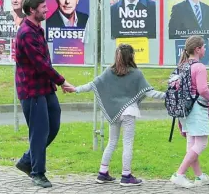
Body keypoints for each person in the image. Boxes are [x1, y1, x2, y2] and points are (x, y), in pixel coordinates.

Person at [63, 44, 165, 186]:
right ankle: (126, 175)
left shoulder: (109, 72)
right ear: (131, 56)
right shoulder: (136, 73)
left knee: (112, 142)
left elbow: (92, 85)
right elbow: (150, 92)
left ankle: (102, 173)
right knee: (127, 143)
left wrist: (75, 89)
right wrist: (169, 95)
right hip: (129, 112)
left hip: (114, 113)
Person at [13, 0, 74, 188]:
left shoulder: (37, 29)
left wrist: (54, 83)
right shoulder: (26, 33)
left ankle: (27, 160)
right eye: (43, 7)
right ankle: (37, 172)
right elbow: (40, 64)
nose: (47, 10)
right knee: (39, 132)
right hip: (32, 90)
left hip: (45, 88)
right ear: (32, 10)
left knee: (53, 125)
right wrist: (62, 81)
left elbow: (44, 63)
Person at [169, 35, 209, 188]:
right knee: (201, 143)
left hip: (185, 109)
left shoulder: (182, 66)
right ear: (197, 49)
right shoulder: (199, 67)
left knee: (192, 143)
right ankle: (180, 174)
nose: (205, 50)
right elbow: (202, 89)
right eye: (204, 47)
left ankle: (199, 176)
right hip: (197, 108)